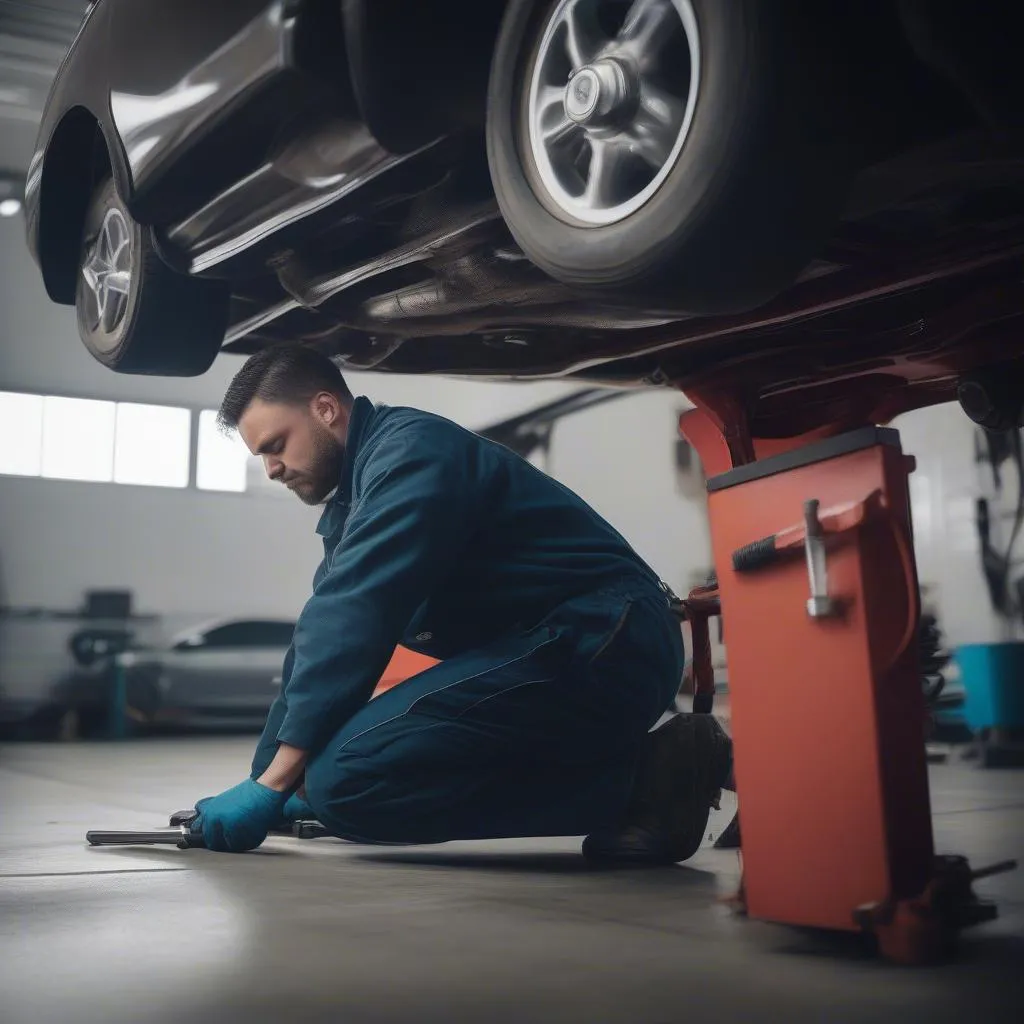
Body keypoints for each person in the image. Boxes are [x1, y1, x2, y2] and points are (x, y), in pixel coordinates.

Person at [191, 343, 733, 864]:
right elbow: (319, 638)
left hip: (606, 639)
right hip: (549, 650)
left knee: (348, 780)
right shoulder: (358, 499)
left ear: (326, 409)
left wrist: (277, 784)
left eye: (275, 446)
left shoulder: (410, 453)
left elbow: (355, 614)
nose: (271, 469)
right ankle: (641, 772)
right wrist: (267, 787)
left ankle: (649, 780)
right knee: (330, 780)